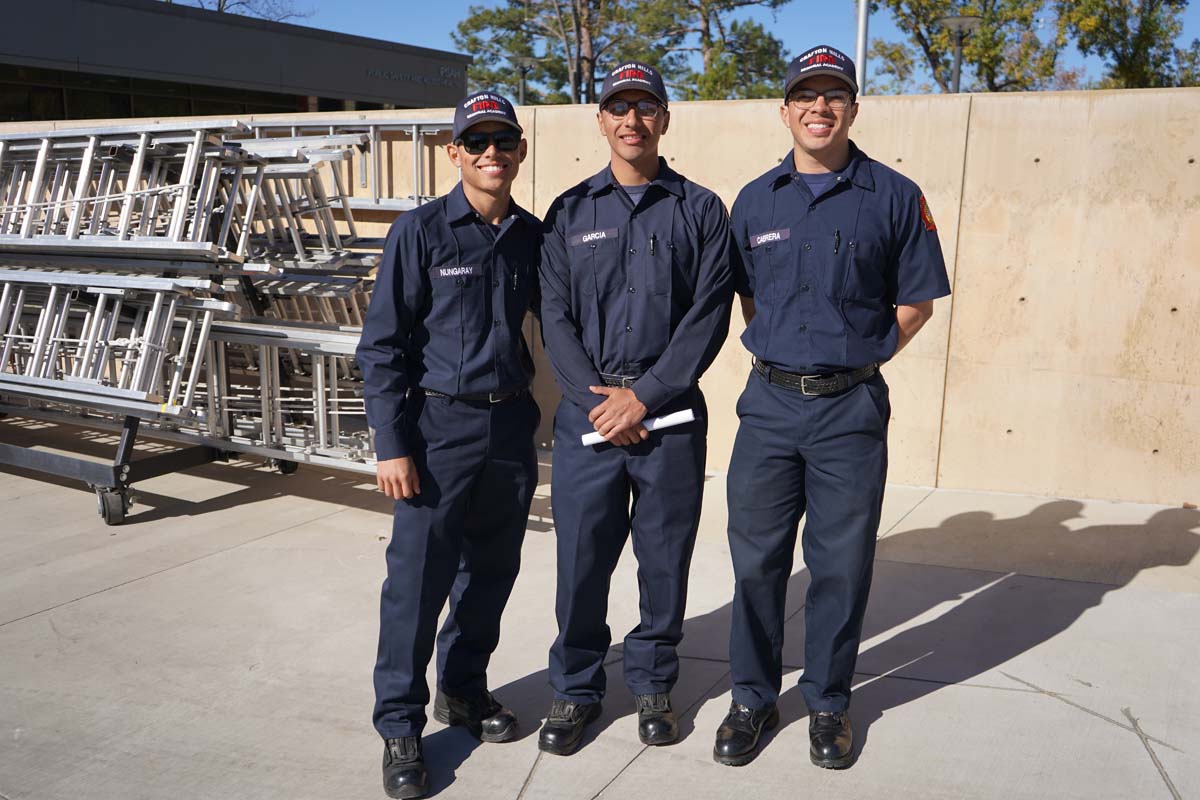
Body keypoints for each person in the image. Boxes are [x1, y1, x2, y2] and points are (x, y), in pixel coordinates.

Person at [714, 45, 951, 770]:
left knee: (841, 566)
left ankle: (828, 704)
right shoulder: (756, 200)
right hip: (770, 405)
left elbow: (915, 304)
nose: (820, 107)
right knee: (756, 565)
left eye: (834, 96)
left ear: (853, 108)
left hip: (849, 411)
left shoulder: (894, 195)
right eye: (806, 96)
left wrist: (862, 359)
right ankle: (752, 699)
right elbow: (750, 297)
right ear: (784, 110)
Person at [536, 61, 734, 755]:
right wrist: (601, 402)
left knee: (663, 557)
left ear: (664, 119)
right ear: (600, 121)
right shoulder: (568, 211)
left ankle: (653, 682)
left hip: (668, 416)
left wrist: (644, 396)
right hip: (589, 414)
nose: (631, 120)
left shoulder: (702, 209)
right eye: (618, 108)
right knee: (582, 561)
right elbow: (553, 317)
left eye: (644, 107)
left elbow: (708, 316)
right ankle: (576, 689)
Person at [356, 91, 541, 799]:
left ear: (519, 151)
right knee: (417, 584)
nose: (491, 152)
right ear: (454, 152)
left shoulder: (532, 234)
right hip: (436, 431)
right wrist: (391, 443)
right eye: (477, 142)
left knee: (490, 574)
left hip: (510, 426)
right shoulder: (421, 231)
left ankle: (462, 691)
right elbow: (381, 347)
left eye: (504, 141)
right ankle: (399, 724)